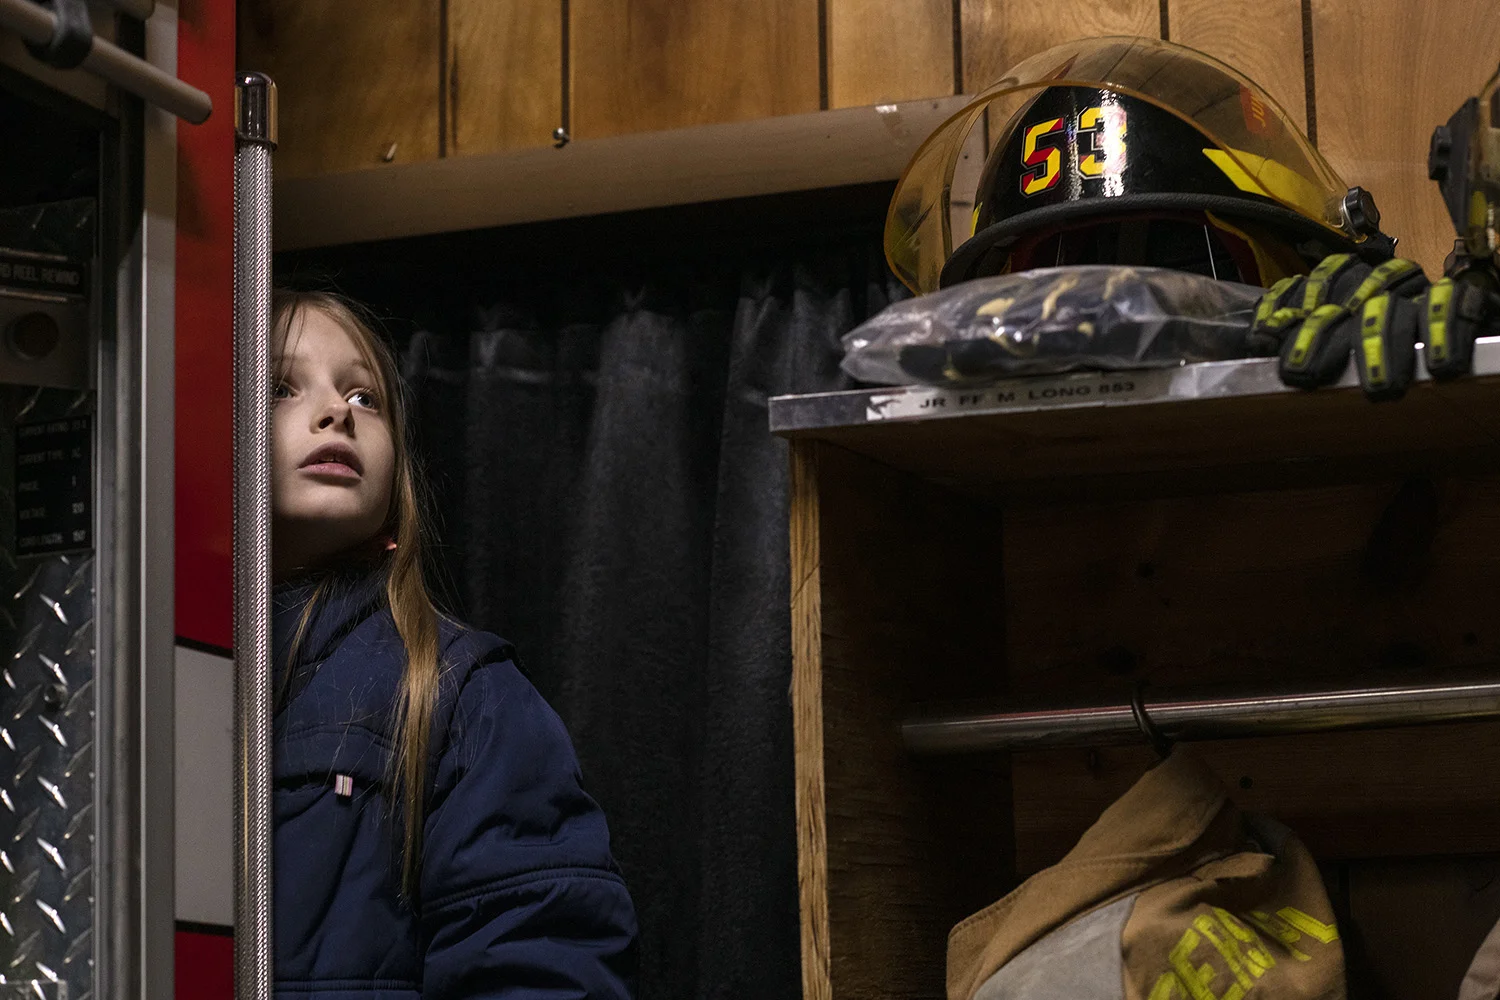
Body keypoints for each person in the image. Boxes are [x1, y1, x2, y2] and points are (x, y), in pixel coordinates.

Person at [269, 288, 638, 999]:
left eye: (366, 398)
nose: (337, 412)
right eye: (282, 387)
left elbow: (543, 958)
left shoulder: (461, 691)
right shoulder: (143, 678)